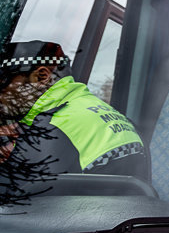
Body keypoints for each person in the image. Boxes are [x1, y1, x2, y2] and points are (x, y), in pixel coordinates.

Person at [0, 41, 145, 177]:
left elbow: (18, 196)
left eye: (3, 84)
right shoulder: (103, 113)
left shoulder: (54, 126)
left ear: (41, 76)